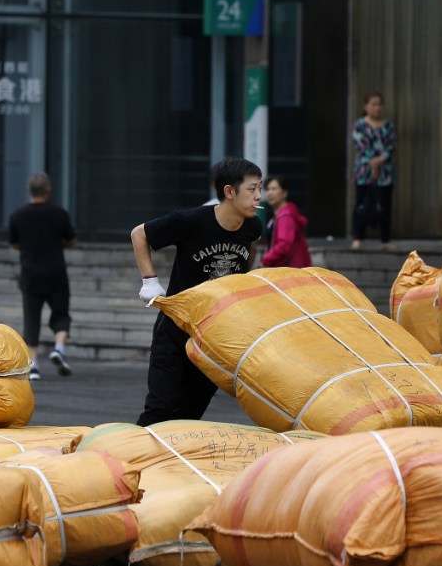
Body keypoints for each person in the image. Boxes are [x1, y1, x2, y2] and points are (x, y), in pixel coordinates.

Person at [131, 157, 263, 426]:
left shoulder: (252, 226)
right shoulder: (190, 221)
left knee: (189, 417)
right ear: (229, 191)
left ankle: (172, 467)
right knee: (160, 410)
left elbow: (251, 248)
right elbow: (139, 234)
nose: (258, 196)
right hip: (176, 332)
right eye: (252, 190)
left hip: (215, 339)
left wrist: (244, 283)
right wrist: (149, 280)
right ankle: (128, 461)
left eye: (260, 188)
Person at [9, 173, 77, 381]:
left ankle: (34, 365)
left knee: (31, 319)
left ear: (29, 190)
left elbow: (14, 244)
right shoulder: (59, 213)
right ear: (48, 190)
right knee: (61, 313)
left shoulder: (17, 216)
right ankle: (58, 348)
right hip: (56, 272)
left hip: (30, 274)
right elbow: (71, 240)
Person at [351, 91, 397, 251]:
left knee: (385, 205)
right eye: (373, 104)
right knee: (361, 204)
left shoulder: (388, 125)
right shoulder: (360, 125)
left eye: (379, 104)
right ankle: (357, 237)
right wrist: (372, 164)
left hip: (385, 172)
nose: (377, 108)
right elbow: (360, 146)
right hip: (364, 171)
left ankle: (385, 239)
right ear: (366, 106)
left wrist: (379, 162)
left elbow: (391, 146)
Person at [260, 176, 312, 268]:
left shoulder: (285, 217)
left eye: (274, 189)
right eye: (267, 189)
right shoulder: (280, 215)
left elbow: (283, 245)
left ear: (284, 193)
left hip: (291, 269)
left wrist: (266, 259)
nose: (270, 193)